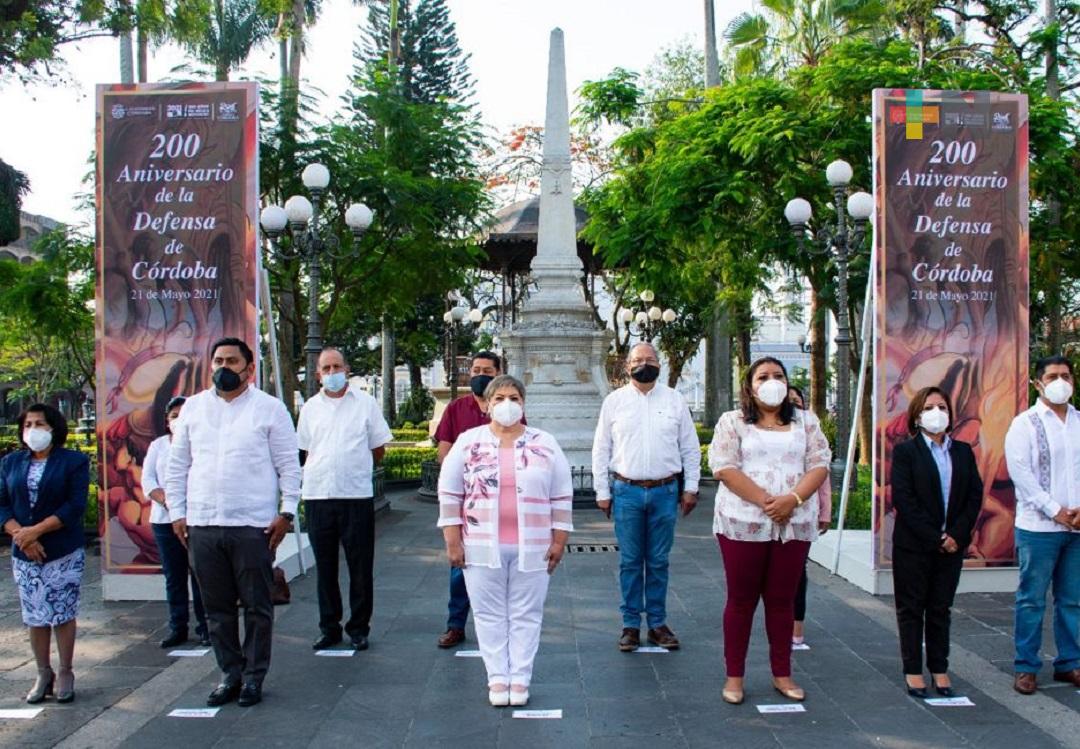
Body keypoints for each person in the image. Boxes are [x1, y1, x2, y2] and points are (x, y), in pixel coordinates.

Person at [166, 337, 301, 708]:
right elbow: (177, 466)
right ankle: (230, 674)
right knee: (216, 609)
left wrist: (287, 512)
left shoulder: (270, 409)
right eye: (218, 361)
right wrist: (177, 513)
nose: (223, 368)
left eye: (232, 361)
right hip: (203, 524)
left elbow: (289, 466)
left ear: (249, 368)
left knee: (257, 607)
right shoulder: (193, 409)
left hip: (253, 525)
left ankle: (254, 677)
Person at [437, 375, 573, 707]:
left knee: (527, 613)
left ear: (523, 404)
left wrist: (559, 540)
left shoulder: (545, 443)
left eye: (514, 398)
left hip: (534, 546)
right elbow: (450, 492)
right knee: (488, 613)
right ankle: (497, 677)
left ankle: (520, 678)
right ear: (486, 405)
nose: (506, 404)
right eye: (498, 398)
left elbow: (561, 494)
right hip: (481, 544)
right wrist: (452, 540)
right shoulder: (468, 442)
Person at [709, 357, 830, 704]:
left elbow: (819, 464)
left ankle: (782, 674)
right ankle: (734, 677)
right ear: (750, 386)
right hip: (743, 523)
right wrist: (766, 502)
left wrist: (792, 499)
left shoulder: (806, 421)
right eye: (763, 376)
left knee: (782, 601)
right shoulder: (732, 422)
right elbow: (724, 467)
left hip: (793, 522)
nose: (772, 381)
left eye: (778, 375)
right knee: (741, 601)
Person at [592, 342, 701, 652]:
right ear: (628, 366)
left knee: (658, 561)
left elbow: (690, 447)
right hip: (626, 491)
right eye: (638, 359)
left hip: (665, 492)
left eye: (650, 359)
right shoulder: (614, 402)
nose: (644, 364)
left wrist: (691, 488)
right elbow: (601, 448)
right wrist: (602, 491)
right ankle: (630, 624)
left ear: (659, 364)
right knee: (630, 561)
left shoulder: (675, 400)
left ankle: (656, 624)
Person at [890, 386, 983, 698]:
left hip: (952, 546)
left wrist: (956, 535)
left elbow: (973, 496)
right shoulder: (906, 452)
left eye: (942, 407)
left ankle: (940, 668)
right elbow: (904, 499)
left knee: (941, 608)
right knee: (911, 609)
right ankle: (913, 670)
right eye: (929, 407)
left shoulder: (962, 452)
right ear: (917, 416)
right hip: (914, 546)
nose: (937, 413)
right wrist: (936, 537)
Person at [297, 347, 393, 651]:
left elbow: (378, 448)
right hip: (318, 495)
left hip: (355, 495)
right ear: (318, 374)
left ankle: (359, 628)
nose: (332, 373)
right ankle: (329, 628)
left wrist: (356, 467)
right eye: (326, 368)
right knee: (325, 568)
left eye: (336, 367)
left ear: (347, 370)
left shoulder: (366, 404)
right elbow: (305, 450)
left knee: (360, 567)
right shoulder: (310, 408)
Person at [0, 404, 89, 704]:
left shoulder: (73, 461)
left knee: (62, 612)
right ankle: (43, 672)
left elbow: (74, 506)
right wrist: (22, 537)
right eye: (28, 425)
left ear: (53, 428)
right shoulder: (11, 462)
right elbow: (2, 505)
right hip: (24, 551)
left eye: (40, 424)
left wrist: (36, 531)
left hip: (62, 549)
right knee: (35, 615)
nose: (33, 430)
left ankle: (65, 671)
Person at [1004, 354, 1080, 695]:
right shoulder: (1025, 424)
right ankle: (1026, 666)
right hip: (1039, 528)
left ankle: (1069, 662)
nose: (1060, 382)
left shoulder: (1079, 421)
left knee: (1072, 600)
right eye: (1052, 376)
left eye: (1066, 375)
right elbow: (1021, 473)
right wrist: (1055, 510)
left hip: (1076, 530)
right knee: (1032, 599)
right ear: (1038, 383)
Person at [433, 350, 503, 649]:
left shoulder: (507, 408)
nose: (480, 376)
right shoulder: (456, 408)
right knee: (460, 562)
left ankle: (498, 626)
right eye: (476, 370)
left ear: (498, 374)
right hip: (466, 499)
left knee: (500, 563)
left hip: (499, 500)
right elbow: (444, 450)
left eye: (487, 371)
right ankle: (456, 625)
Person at [141, 396, 210, 649]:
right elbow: (148, 480)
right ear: (167, 420)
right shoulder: (158, 446)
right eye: (174, 416)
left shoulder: (201, 444)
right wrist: (168, 501)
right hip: (164, 520)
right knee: (174, 576)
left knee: (200, 575)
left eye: (184, 415)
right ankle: (177, 627)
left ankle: (206, 627)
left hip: (195, 519)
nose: (179, 420)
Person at [786, 385, 832, 648]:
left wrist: (825, 511)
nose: (794, 405)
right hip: (774, 513)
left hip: (804, 513)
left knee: (798, 572)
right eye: (788, 401)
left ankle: (796, 629)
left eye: (797, 401)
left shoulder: (812, 431)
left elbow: (822, 476)